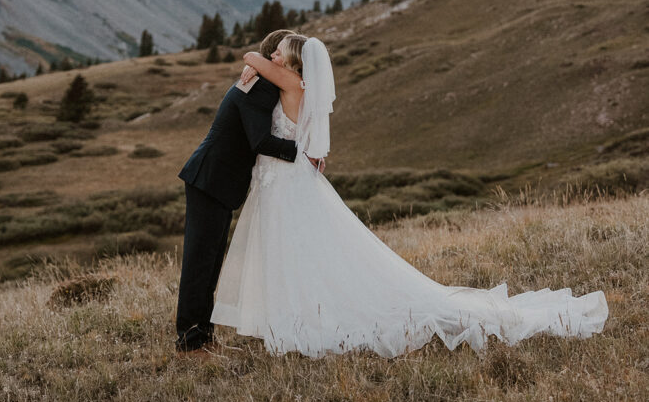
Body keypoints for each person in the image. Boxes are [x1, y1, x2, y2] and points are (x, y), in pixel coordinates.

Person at [211, 34, 609, 357]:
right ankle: (291, 319)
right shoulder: (295, 87)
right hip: (282, 182)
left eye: (280, 52)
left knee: (298, 252)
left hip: (286, 185)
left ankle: (303, 322)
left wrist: (259, 60)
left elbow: (251, 55)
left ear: (295, 63)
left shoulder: (293, 84)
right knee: (293, 254)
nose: (273, 55)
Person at [175, 29, 322, 356]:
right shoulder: (259, 87)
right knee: (200, 262)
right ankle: (189, 340)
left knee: (210, 262)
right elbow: (259, 141)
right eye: (275, 55)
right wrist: (302, 152)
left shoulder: (263, 83)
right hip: (210, 179)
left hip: (218, 182)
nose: (274, 61)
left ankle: (203, 334)